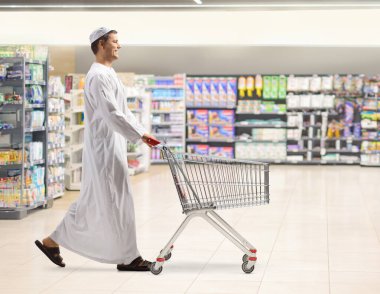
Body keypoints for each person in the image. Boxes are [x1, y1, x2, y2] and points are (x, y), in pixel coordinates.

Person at [35, 27, 159, 271]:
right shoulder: (99, 76)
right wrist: (139, 134)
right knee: (115, 201)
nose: (119, 45)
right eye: (115, 41)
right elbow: (112, 114)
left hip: (112, 144)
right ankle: (129, 257)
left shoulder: (108, 73)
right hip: (105, 148)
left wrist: (141, 132)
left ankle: (52, 241)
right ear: (101, 44)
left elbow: (123, 111)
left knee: (96, 201)